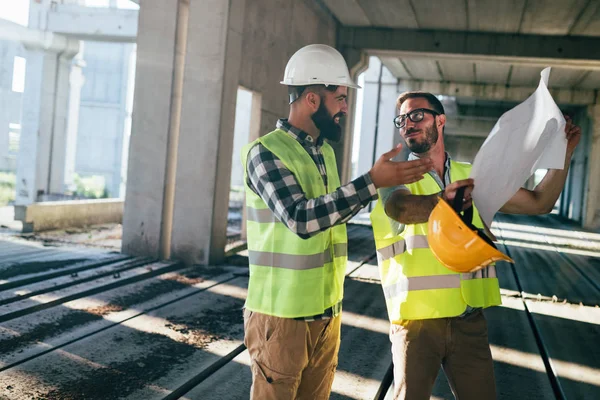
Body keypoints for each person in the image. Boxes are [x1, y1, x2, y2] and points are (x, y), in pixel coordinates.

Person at [241, 45, 434, 400]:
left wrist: (380, 183)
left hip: (327, 312)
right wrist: (371, 181)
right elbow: (300, 218)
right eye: (341, 98)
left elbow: (331, 214)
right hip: (281, 316)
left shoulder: (325, 152)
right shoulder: (265, 152)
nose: (346, 107)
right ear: (313, 99)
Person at [369, 91, 581, 400]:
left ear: (440, 120)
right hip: (417, 325)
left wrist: (565, 153)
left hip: (469, 321)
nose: (407, 124)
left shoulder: (474, 176)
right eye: (402, 120)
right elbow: (402, 209)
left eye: (417, 116)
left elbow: (540, 202)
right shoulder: (393, 177)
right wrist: (447, 201)